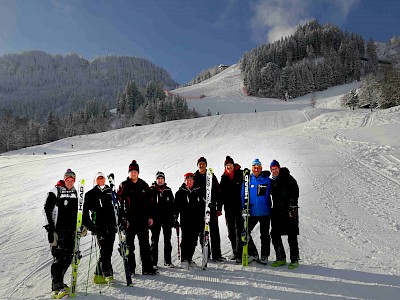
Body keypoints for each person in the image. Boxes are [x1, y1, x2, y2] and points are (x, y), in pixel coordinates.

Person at [43, 168, 80, 299]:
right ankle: (57, 288)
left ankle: (59, 283)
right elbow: (46, 210)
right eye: (68, 180)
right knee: (58, 258)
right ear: (64, 180)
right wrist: (50, 230)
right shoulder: (56, 191)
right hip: (58, 231)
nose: (70, 182)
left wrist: (81, 226)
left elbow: (78, 213)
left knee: (68, 257)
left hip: (71, 231)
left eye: (72, 180)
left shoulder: (75, 192)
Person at [117, 160, 157, 275]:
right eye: (131, 171)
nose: (133, 173)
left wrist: (150, 216)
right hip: (129, 221)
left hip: (142, 220)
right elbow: (119, 204)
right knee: (130, 246)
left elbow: (151, 202)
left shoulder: (143, 185)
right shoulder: (124, 185)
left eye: (135, 171)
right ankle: (131, 269)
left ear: (138, 173)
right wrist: (123, 219)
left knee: (145, 244)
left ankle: (147, 268)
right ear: (129, 172)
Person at [82, 172, 116, 284]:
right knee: (104, 249)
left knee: (108, 249)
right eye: (98, 178)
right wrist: (91, 226)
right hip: (99, 226)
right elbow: (85, 213)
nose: (101, 180)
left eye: (102, 178)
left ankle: (98, 274)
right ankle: (107, 273)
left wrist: (118, 222)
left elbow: (116, 208)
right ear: (95, 180)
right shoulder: (90, 194)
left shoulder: (110, 191)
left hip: (111, 225)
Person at [269, 160, 300, 269]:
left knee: (292, 235)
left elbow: (295, 191)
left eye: (275, 168)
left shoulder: (288, 178)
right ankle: (281, 258)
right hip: (277, 211)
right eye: (272, 169)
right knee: (274, 234)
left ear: (279, 168)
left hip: (289, 211)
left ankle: (294, 259)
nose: (274, 171)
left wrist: (292, 206)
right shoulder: (273, 181)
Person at [193, 157, 225, 262]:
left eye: (203, 164)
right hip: (200, 210)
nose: (201, 166)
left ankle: (217, 255)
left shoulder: (211, 176)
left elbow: (219, 192)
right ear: (198, 165)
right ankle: (206, 253)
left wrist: (218, 207)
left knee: (214, 231)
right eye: (200, 164)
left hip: (211, 208)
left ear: (206, 165)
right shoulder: (194, 177)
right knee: (202, 232)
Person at [242, 159, 272, 264]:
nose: (256, 169)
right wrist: (243, 208)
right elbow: (243, 195)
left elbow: (274, 193)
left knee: (264, 235)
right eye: (254, 167)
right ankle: (253, 253)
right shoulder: (248, 180)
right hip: (252, 212)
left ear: (261, 168)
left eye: (258, 167)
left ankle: (264, 256)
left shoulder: (267, 180)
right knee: (245, 233)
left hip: (265, 212)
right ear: (252, 168)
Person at [174, 172, 204, 269]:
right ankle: (184, 259)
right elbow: (176, 208)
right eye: (187, 180)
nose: (189, 181)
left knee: (194, 240)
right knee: (186, 239)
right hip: (185, 220)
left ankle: (189, 258)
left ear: (193, 181)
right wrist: (175, 218)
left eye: (191, 179)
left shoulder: (198, 191)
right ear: (185, 181)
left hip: (197, 220)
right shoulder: (180, 193)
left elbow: (202, 205)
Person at [219, 156, 244, 262]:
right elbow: (221, 194)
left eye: (230, 165)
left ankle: (240, 254)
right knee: (231, 232)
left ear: (233, 166)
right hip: (228, 208)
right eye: (227, 166)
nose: (228, 167)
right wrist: (219, 207)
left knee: (239, 230)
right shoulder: (224, 177)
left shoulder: (240, 174)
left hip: (239, 207)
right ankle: (235, 252)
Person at [149, 171, 175, 269]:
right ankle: (153, 262)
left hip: (167, 219)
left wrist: (173, 218)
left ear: (164, 179)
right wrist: (149, 217)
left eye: (162, 178)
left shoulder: (168, 190)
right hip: (155, 220)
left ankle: (167, 261)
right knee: (154, 241)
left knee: (167, 240)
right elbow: (147, 205)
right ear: (156, 180)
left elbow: (173, 206)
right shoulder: (151, 190)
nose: (160, 180)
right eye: (158, 178)